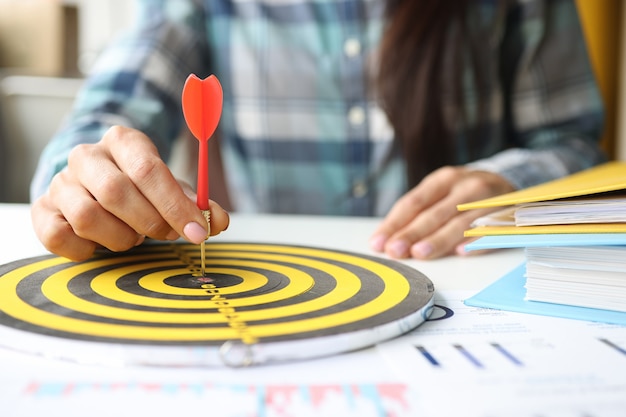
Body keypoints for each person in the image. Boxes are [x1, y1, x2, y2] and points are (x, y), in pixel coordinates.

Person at [30, 0, 606, 262]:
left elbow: (576, 145)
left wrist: (509, 184)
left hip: (456, 273)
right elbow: (102, 115)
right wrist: (82, 181)